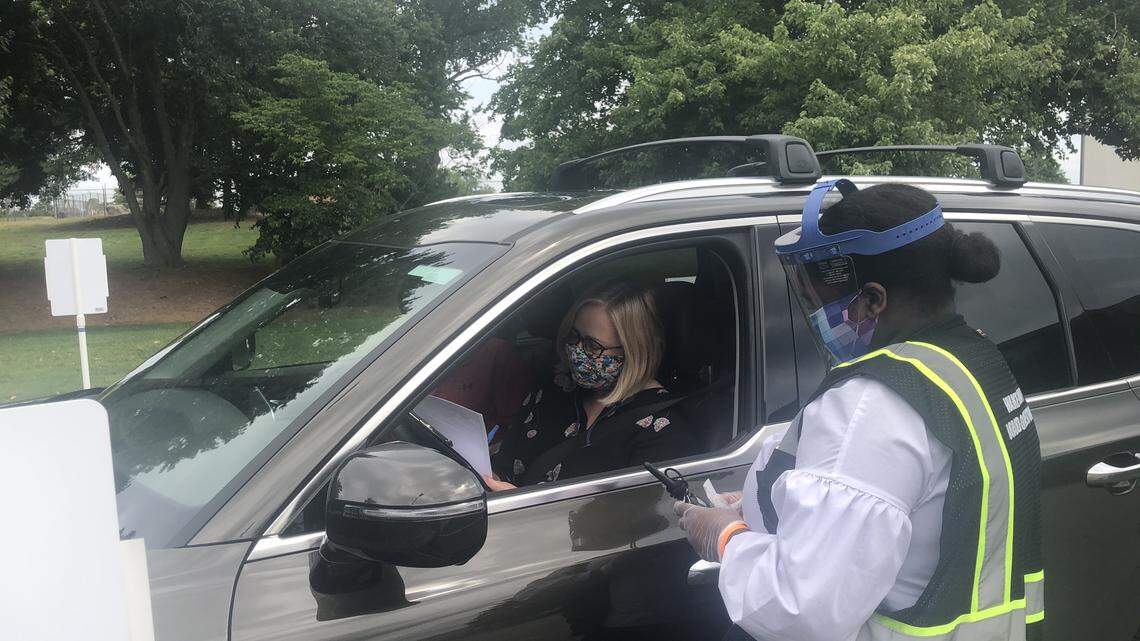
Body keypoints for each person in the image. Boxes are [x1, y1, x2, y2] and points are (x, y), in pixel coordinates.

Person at [674, 181, 1045, 641]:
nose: (813, 313)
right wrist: (761, 500)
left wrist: (726, 540)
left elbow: (801, 610)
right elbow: (896, 498)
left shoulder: (871, 404)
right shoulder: (972, 359)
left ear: (871, 300)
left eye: (817, 301)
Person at [486, 280, 696, 489]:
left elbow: (637, 514)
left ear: (632, 351)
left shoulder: (662, 426)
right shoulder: (553, 390)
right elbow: (506, 463)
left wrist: (522, 504)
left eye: (591, 346)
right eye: (574, 336)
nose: (576, 351)